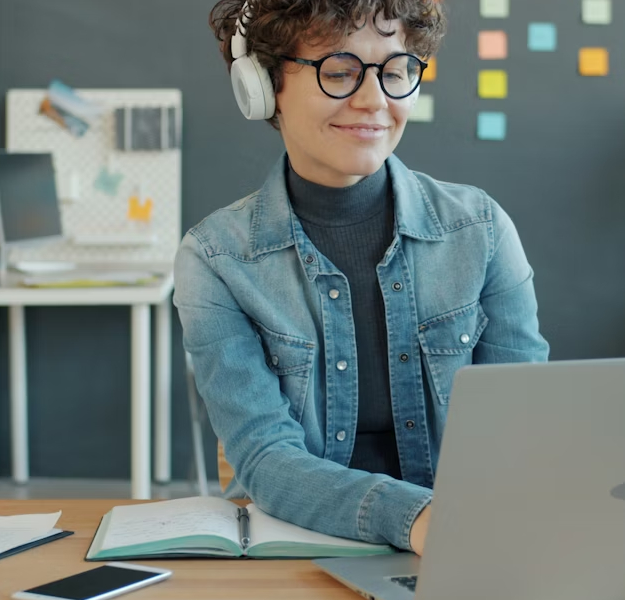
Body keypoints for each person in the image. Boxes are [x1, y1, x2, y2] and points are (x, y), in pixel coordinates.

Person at [173, 0, 549, 556]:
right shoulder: (216, 258)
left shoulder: (481, 230)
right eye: (340, 71)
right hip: (304, 545)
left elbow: (523, 421)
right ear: (262, 84)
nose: (375, 101)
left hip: (470, 542)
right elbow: (265, 459)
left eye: (395, 72)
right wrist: (420, 520)